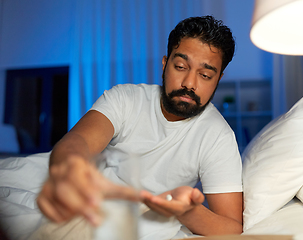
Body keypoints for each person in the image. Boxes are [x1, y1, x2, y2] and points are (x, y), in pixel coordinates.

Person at [37, 15, 243, 238]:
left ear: (218, 79)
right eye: (181, 66)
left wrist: (187, 212)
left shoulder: (218, 136)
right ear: (165, 64)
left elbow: (232, 227)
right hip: (95, 197)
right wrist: (70, 168)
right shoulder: (125, 98)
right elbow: (78, 142)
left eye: (204, 75)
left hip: (151, 218)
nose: (189, 83)